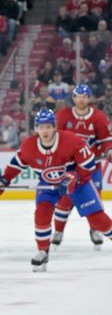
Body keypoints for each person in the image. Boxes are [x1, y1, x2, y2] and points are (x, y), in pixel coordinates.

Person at [0, 108, 112, 271]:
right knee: (42, 213)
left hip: (77, 183)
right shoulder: (29, 146)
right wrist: (3, 180)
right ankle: (42, 251)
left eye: (48, 126)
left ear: (54, 127)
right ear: (36, 129)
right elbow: (16, 165)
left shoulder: (71, 140)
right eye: (41, 127)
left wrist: (76, 176)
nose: (44, 130)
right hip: (48, 184)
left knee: (97, 219)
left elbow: (88, 164)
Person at [52, 85, 112, 248]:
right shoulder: (63, 116)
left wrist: (108, 151)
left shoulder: (98, 117)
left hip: (92, 168)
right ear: (73, 98)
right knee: (65, 199)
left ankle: (95, 229)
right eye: (78, 96)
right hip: (69, 168)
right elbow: (54, 139)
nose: (81, 99)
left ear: (90, 98)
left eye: (84, 96)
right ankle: (58, 230)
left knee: (94, 200)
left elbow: (105, 140)